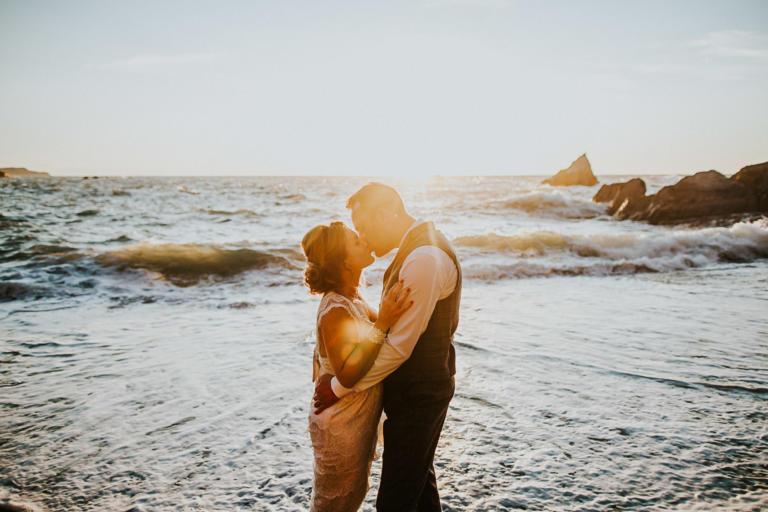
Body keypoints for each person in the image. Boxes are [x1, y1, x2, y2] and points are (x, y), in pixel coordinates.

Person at [314, 183, 462, 512]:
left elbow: (398, 348)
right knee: (420, 492)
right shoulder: (415, 251)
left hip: (420, 397)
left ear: (386, 214)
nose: (363, 238)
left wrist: (338, 389)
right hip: (412, 394)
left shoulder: (424, 258)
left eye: (364, 228)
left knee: (395, 503)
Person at [302, 220, 413, 512]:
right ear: (343, 260)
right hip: (340, 423)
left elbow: (380, 336)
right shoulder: (336, 309)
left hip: (353, 416)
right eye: (355, 241)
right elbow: (348, 374)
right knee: (334, 504)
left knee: (350, 498)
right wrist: (385, 321)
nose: (364, 240)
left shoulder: (353, 298)